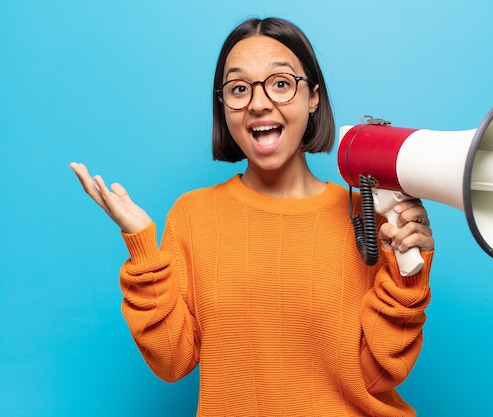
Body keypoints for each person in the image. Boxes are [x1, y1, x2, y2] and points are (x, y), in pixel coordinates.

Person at [70, 17, 434, 417]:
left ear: (313, 97)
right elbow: (172, 363)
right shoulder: (193, 216)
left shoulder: (368, 219)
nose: (259, 103)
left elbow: (378, 375)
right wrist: (142, 248)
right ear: (223, 106)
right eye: (239, 89)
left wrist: (407, 276)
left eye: (280, 83)